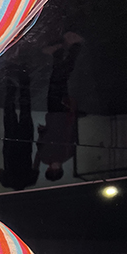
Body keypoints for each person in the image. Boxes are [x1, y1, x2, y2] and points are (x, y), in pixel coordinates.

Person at [37, 32, 84, 182]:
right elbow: (71, 134)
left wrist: (42, 131)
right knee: (59, 80)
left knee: (57, 81)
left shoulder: (48, 157)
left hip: (54, 116)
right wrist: (72, 112)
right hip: (62, 115)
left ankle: (59, 52)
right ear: (60, 169)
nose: (54, 167)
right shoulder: (65, 155)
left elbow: (42, 141)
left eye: (52, 169)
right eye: (56, 169)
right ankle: (74, 48)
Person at [0, 64, 39, 191]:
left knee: (25, 110)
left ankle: (24, 77)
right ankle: (10, 80)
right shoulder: (7, 182)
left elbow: (37, 164)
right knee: (9, 111)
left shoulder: (31, 181)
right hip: (11, 143)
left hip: (26, 143)